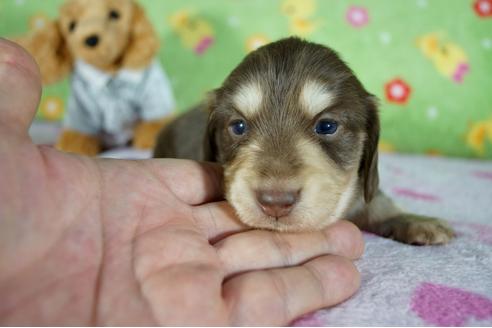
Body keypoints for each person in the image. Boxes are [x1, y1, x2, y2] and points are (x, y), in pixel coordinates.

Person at [0, 38, 364, 326]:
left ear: (370, 140)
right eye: (239, 127)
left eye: (326, 126)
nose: (276, 187)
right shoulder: (190, 137)